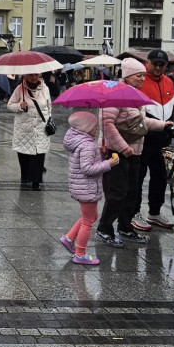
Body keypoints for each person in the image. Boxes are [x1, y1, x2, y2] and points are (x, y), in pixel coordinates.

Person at [97, 58, 171, 247]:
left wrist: (163, 125)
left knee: (132, 192)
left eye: (143, 76)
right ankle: (104, 228)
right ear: (128, 76)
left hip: (135, 152)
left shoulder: (136, 95)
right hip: (116, 152)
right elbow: (106, 124)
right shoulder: (115, 95)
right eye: (138, 76)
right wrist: (122, 147)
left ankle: (125, 227)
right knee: (117, 193)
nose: (142, 79)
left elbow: (140, 123)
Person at [60, 111, 120, 265]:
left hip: (82, 186)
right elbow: (87, 168)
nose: (96, 129)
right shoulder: (87, 144)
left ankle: (69, 239)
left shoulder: (81, 141)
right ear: (86, 128)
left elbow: (87, 160)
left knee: (92, 216)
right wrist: (108, 164)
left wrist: (99, 153)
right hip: (86, 188)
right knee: (88, 221)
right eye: (94, 127)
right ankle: (80, 254)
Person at [137, 49, 174, 230]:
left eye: (162, 65)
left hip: (163, 138)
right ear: (148, 62)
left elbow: (172, 107)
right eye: (155, 64)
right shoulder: (140, 80)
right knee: (137, 177)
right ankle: (133, 212)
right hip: (143, 137)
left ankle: (154, 212)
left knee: (160, 177)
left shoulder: (169, 82)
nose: (158, 67)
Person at [7, 72, 53, 191]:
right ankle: (25, 176)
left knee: (39, 153)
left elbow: (49, 106)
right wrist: (19, 106)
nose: (33, 78)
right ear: (25, 76)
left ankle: (36, 181)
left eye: (36, 75)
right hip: (24, 128)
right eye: (31, 75)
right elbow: (10, 105)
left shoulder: (45, 89)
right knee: (24, 153)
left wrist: (49, 119)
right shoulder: (19, 89)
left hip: (41, 127)